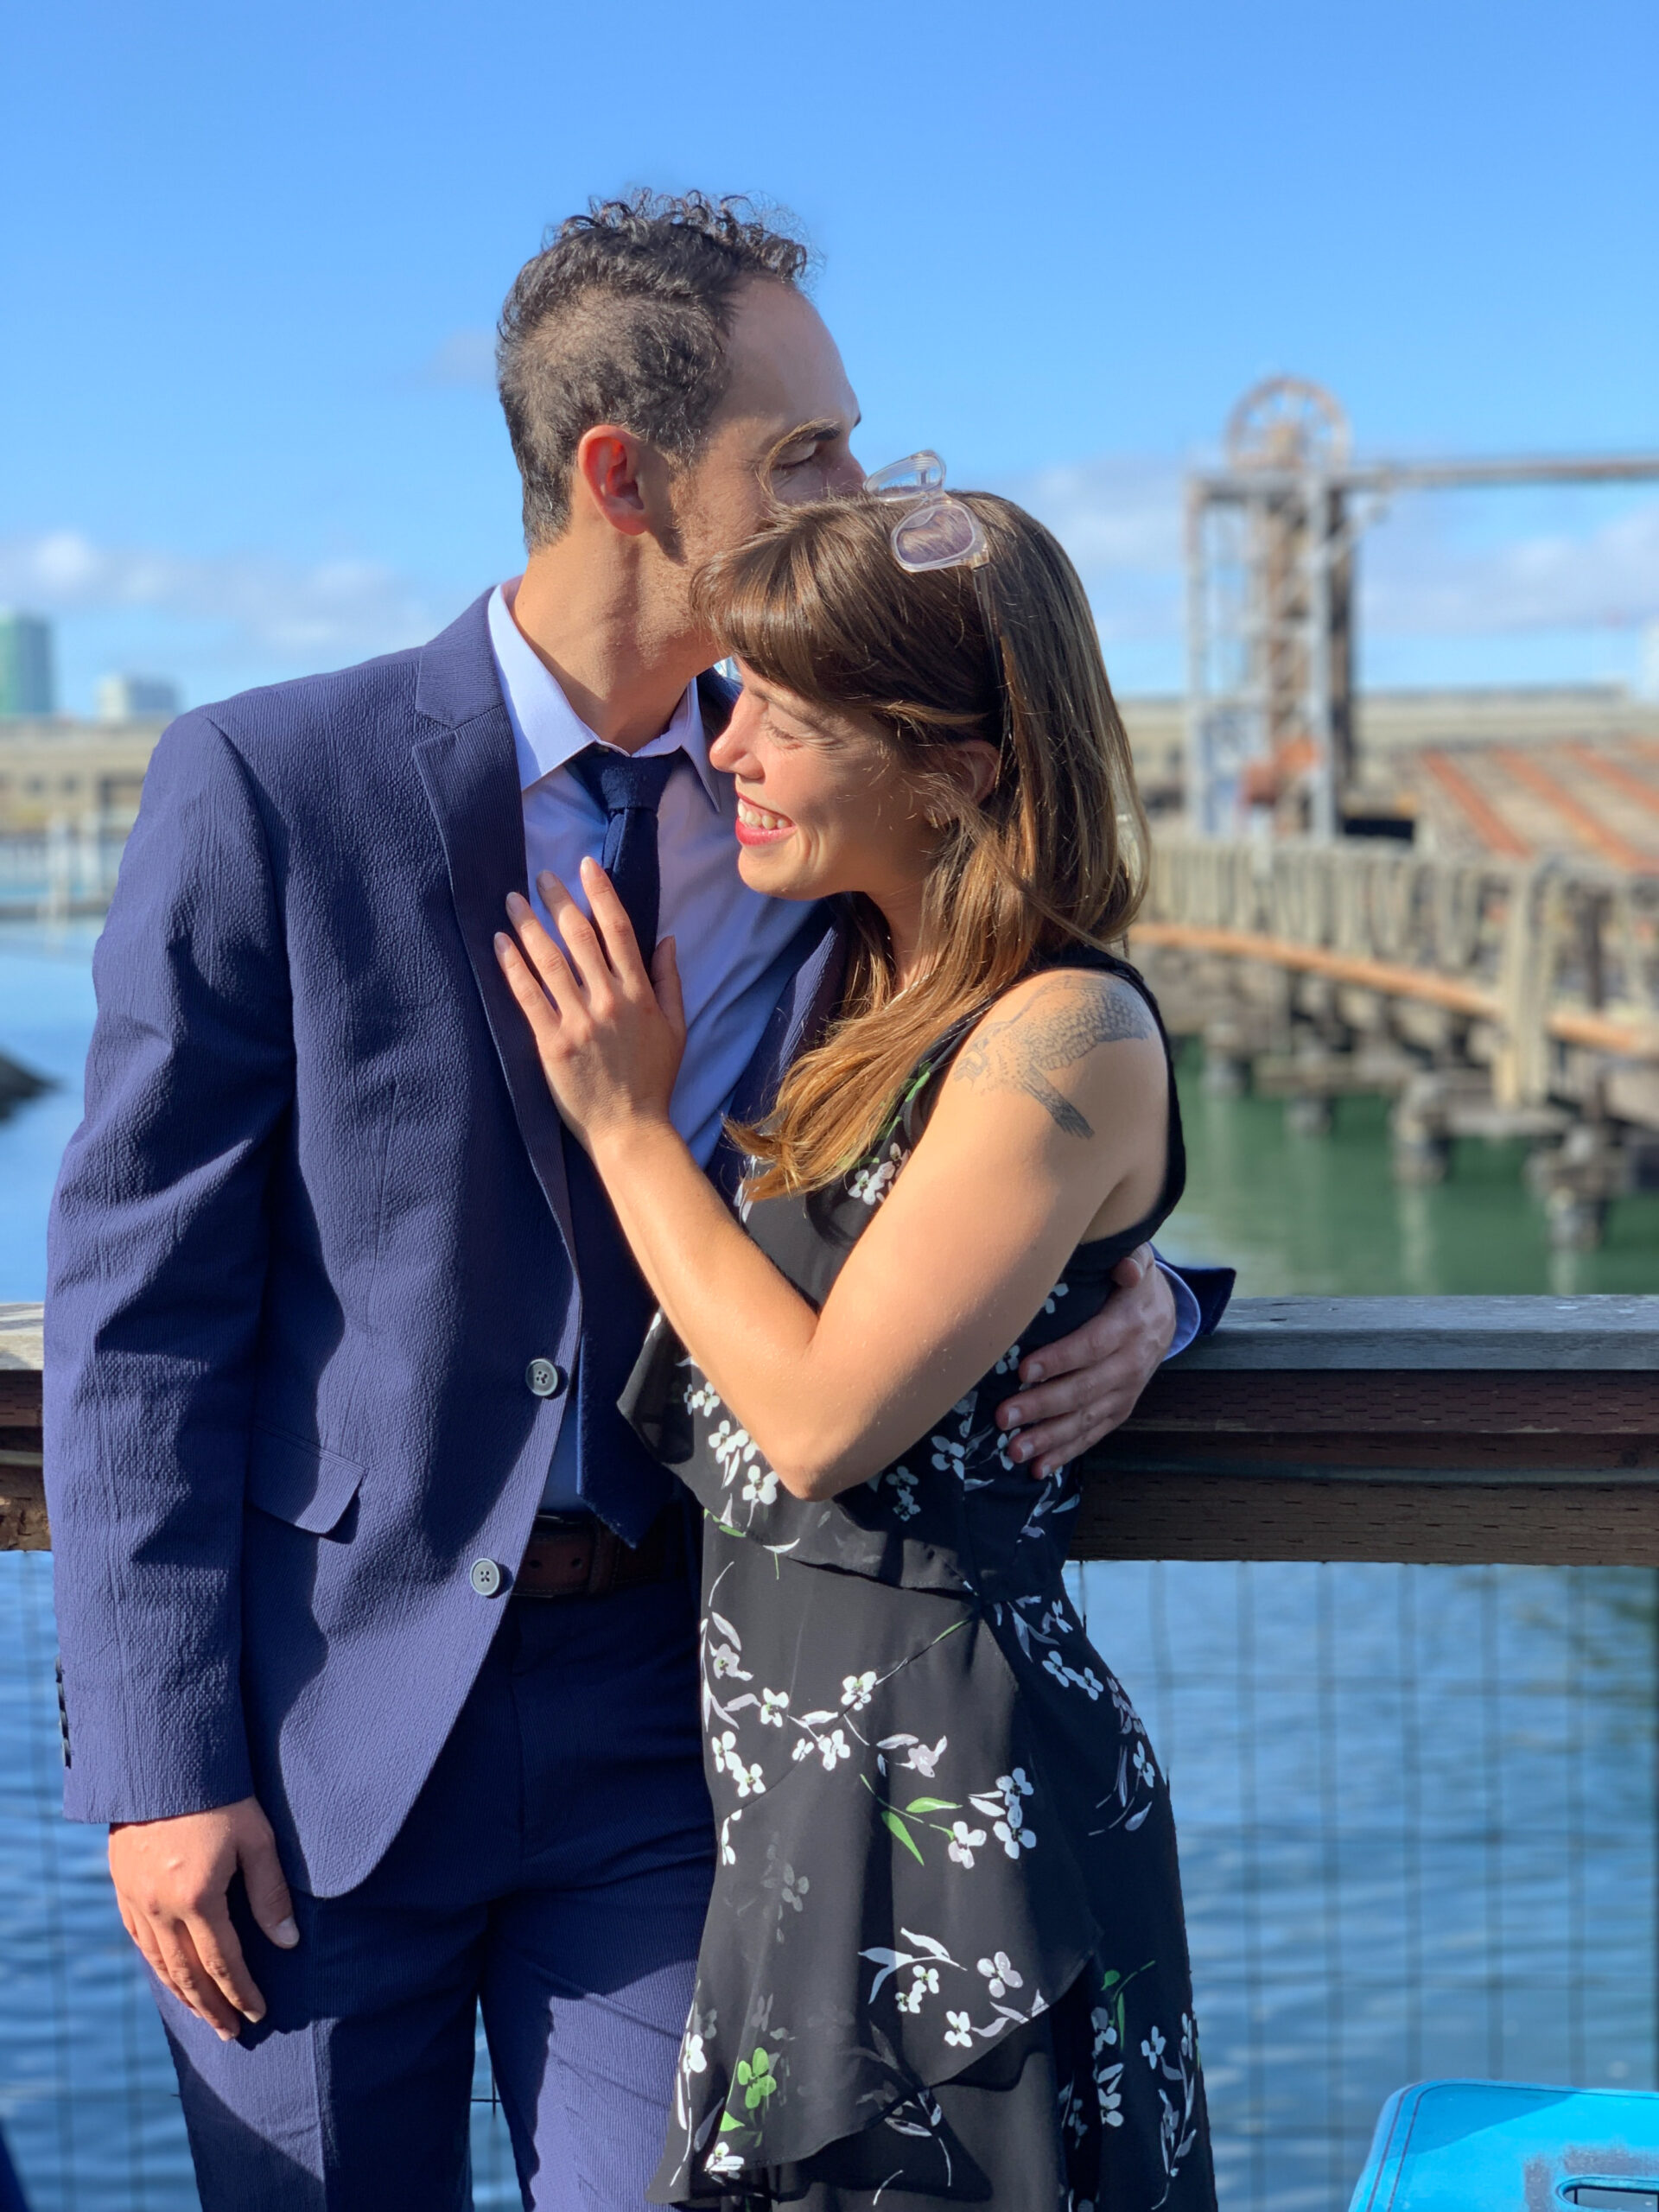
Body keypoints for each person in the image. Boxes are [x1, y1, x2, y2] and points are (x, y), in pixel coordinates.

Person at [44, 194, 1226, 2210]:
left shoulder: (817, 807)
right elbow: (139, 1304)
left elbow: (983, 1121)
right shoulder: (270, 782)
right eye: (808, 452)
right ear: (623, 477)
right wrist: (160, 1768)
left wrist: (1153, 1293)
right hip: (321, 1729)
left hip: (682, 1729)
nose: (860, 489)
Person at [494, 482, 1217, 2209]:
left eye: (786, 718)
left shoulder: (1063, 1029)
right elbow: (987, 1265)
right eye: (737, 694)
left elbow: (822, 1418)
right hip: (804, 1794)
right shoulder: (858, 977)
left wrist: (626, 1128)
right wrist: (1167, 1296)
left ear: (957, 767)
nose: (727, 746)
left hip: (960, 1813)